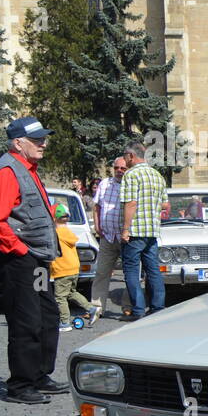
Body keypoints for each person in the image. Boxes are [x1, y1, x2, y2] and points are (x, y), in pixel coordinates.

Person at [0, 116, 64, 404]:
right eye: (37, 140)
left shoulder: (28, 168)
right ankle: (20, 385)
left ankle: (38, 375)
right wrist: (21, 251)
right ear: (18, 143)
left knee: (48, 315)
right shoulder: (7, 171)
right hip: (18, 259)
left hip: (36, 258)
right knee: (26, 321)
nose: (43, 143)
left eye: (44, 138)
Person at [119, 141, 168, 320]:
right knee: (153, 269)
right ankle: (157, 308)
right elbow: (165, 204)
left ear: (131, 156)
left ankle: (138, 311)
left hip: (135, 231)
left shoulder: (131, 175)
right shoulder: (157, 175)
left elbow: (131, 203)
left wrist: (125, 229)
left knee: (131, 270)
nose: (124, 160)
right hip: (152, 230)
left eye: (125, 156)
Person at [91, 155, 131, 319]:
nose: (119, 171)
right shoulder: (105, 184)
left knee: (130, 274)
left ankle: (128, 306)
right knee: (101, 272)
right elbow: (97, 206)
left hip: (126, 238)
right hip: (107, 236)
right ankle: (97, 307)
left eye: (123, 168)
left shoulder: (132, 184)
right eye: (116, 168)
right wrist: (97, 225)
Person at [51, 202, 99, 331]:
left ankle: (65, 322)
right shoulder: (67, 231)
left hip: (62, 269)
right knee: (71, 292)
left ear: (53, 218)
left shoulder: (55, 233)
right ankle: (91, 308)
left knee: (60, 297)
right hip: (73, 268)